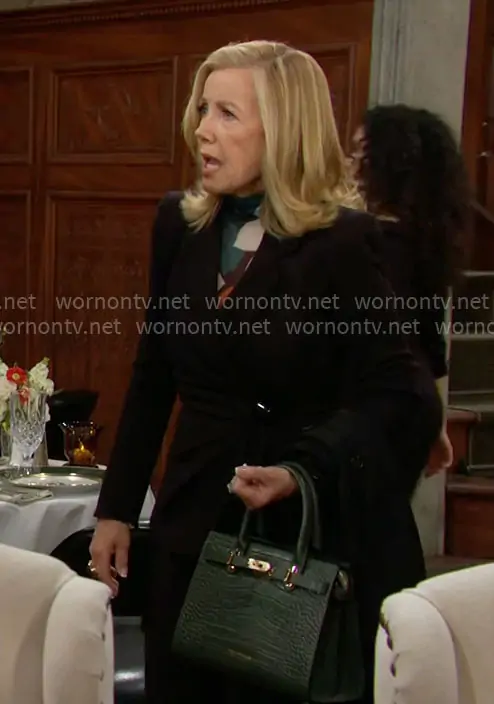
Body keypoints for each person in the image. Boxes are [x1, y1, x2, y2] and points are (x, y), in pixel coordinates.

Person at [90, 41, 442, 704]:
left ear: (283, 130)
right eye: (203, 109)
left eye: (227, 114)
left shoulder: (346, 243)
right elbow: (154, 372)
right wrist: (117, 509)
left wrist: (303, 469)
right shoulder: (179, 224)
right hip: (195, 523)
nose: (202, 129)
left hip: (306, 542)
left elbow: (404, 396)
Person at [348, 104, 471, 475]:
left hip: (375, 408)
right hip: (413, 402)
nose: (349, 165)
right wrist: (436, 422)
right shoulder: (424, 241)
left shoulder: (367, 243)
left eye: (359, 154)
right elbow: (431, 345)